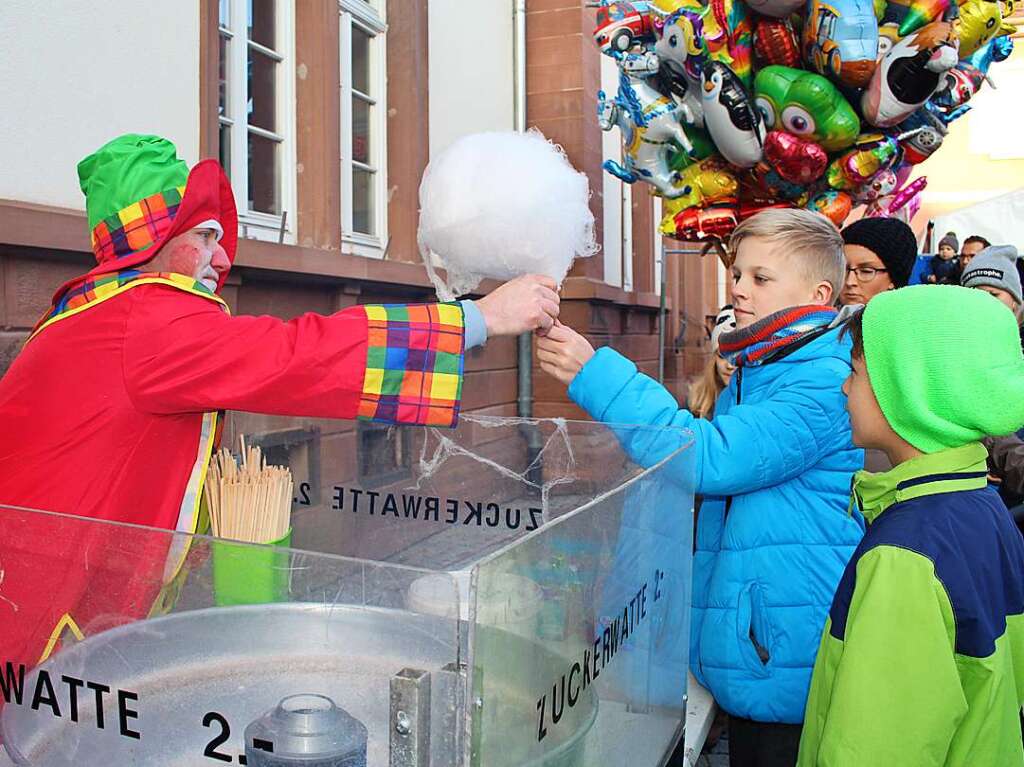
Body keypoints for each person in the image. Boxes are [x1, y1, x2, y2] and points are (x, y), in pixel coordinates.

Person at [0, 134, 559, 670]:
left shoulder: (86, 317)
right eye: (206, 238)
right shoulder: (145, 318)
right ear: (157, 243)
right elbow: (295, 355)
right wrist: (480, 318)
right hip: (52, 619)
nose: (219, 260)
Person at [538, 209, 865, 766]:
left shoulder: (817, 381)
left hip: (785, 637)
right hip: (766, 628)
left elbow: (709, 458)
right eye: (738, 274)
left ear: (820, 292)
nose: (738, 289)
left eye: (760, 278)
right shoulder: (770, 364)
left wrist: (594, 373)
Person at [797, 286, 1024, 766]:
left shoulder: (904, 557)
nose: (843, 387)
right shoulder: (984, 505)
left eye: (855, 372)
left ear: (908, 390)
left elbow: (874, 749)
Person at [838, 217, 917, 306]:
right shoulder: (823, 317)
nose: (849, 282)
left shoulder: (913, 319)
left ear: (893, 279)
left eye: (866, 271)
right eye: (842, 269)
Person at [687, 305, 737, 419]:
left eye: (737, 357)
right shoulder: (696, 399)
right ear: (714, 358)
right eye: (722, 356)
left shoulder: (761, 400)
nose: (729, 365)